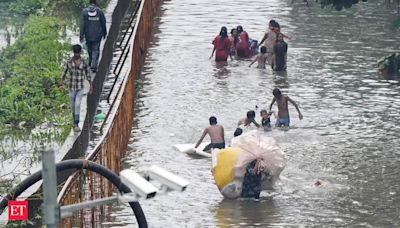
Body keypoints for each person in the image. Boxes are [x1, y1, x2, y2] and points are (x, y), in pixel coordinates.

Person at [60, 44, 93, 132]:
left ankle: (76, 124)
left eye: (78, 53)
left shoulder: (83, 62)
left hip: (80, 87)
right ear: (74, 53)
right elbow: (64, 73)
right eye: (75, 53)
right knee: (73, 106)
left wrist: (90, 85)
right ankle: (74, 121)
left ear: (80, 53)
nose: (77, 55)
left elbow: (88, 74)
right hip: (71, 87)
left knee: (77, 104)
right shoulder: (69, 62)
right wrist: (61, 84)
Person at [80, 0, 107, 73]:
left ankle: (91, 63)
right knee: (96, 50)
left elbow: (82, 25)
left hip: (88, 35)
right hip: (97, 35)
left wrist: (81, 35)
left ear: (89, 2)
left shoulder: (84, 12)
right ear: (95, 2)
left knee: (90, 49)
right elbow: (103, 23)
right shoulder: (99, 11)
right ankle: (93, 66)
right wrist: (104, 33)